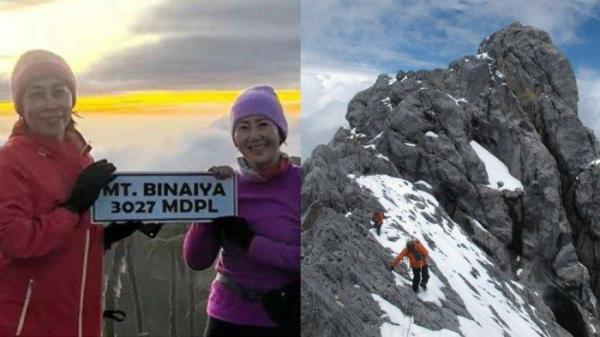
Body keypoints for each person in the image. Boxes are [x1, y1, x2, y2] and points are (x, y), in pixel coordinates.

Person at [0, 50, 148, 337]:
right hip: (25, 322)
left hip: (79, 319)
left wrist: (109, 235)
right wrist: (73, 206)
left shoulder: (79, 156)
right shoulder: (8, 162)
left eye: (59, 92)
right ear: (21, 105)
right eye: (36, 95)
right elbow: (17, 242)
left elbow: (70, 237)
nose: (50, 104)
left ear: (72, 99)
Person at [183, 85, 300, 337]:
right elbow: (196, 260)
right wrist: (207, 207)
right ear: (235, 139)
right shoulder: (226, 187)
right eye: (243, 127)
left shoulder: (304, 183)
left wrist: (251, 243)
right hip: (227, 318)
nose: (254, 135)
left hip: (285, 317)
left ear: (279, 132)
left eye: (262, 124)